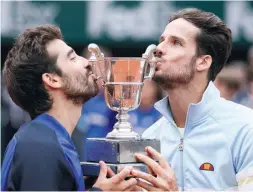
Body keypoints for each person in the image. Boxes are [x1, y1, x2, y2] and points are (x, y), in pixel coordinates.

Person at [1, 25, 137, 191]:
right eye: (73, 58)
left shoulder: (48, 139)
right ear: (52, 80)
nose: (87, 63)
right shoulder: (40, 146)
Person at [131, 8, 253, 191]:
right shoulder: (150, 137)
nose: (159, 49)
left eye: (176, 43)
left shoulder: (246, 128)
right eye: (162, 40)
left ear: (203, 62)